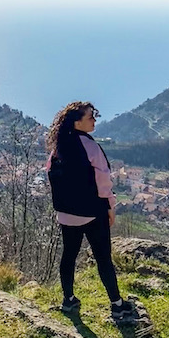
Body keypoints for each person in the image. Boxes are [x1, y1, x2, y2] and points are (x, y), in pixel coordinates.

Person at [46, 101, 133, 320]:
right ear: (78, 122)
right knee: (103, 258)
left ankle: (68, 299)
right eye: (90, 117)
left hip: (66, 214)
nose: (94, 120)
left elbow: (51, 174)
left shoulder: (57, 148)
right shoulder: (90, 146)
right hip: (93, 212)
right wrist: (111, 207)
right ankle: (117, 304)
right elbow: (103, 181)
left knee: (68, 256)